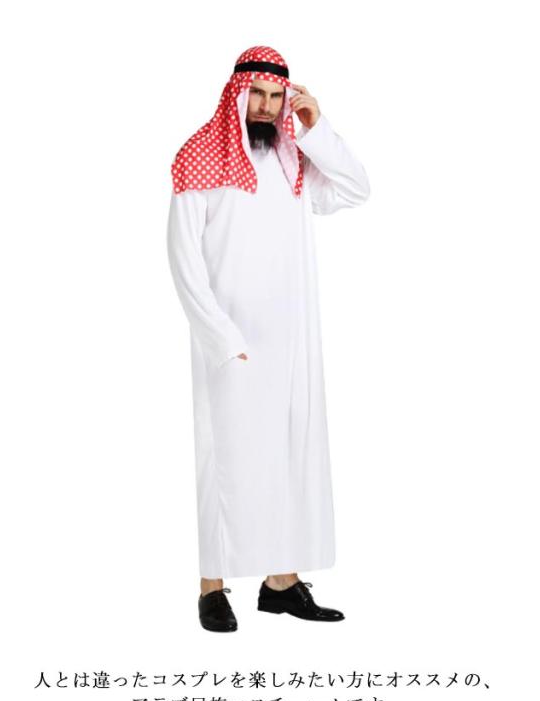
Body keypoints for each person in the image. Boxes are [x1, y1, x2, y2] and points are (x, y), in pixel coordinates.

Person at [166, 45, 370, 632]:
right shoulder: (198, 156)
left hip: (292, 338)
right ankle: (211, 589)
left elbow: (356, 188)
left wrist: (316, 125)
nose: (265, 105)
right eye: (256, 93)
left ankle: (281, 582)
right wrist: (220, 336)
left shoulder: (292, 159)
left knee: (289, 457)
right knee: (226, 462)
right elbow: (183, 257)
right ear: (237, 92)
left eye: (276, 96)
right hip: (231, 341)